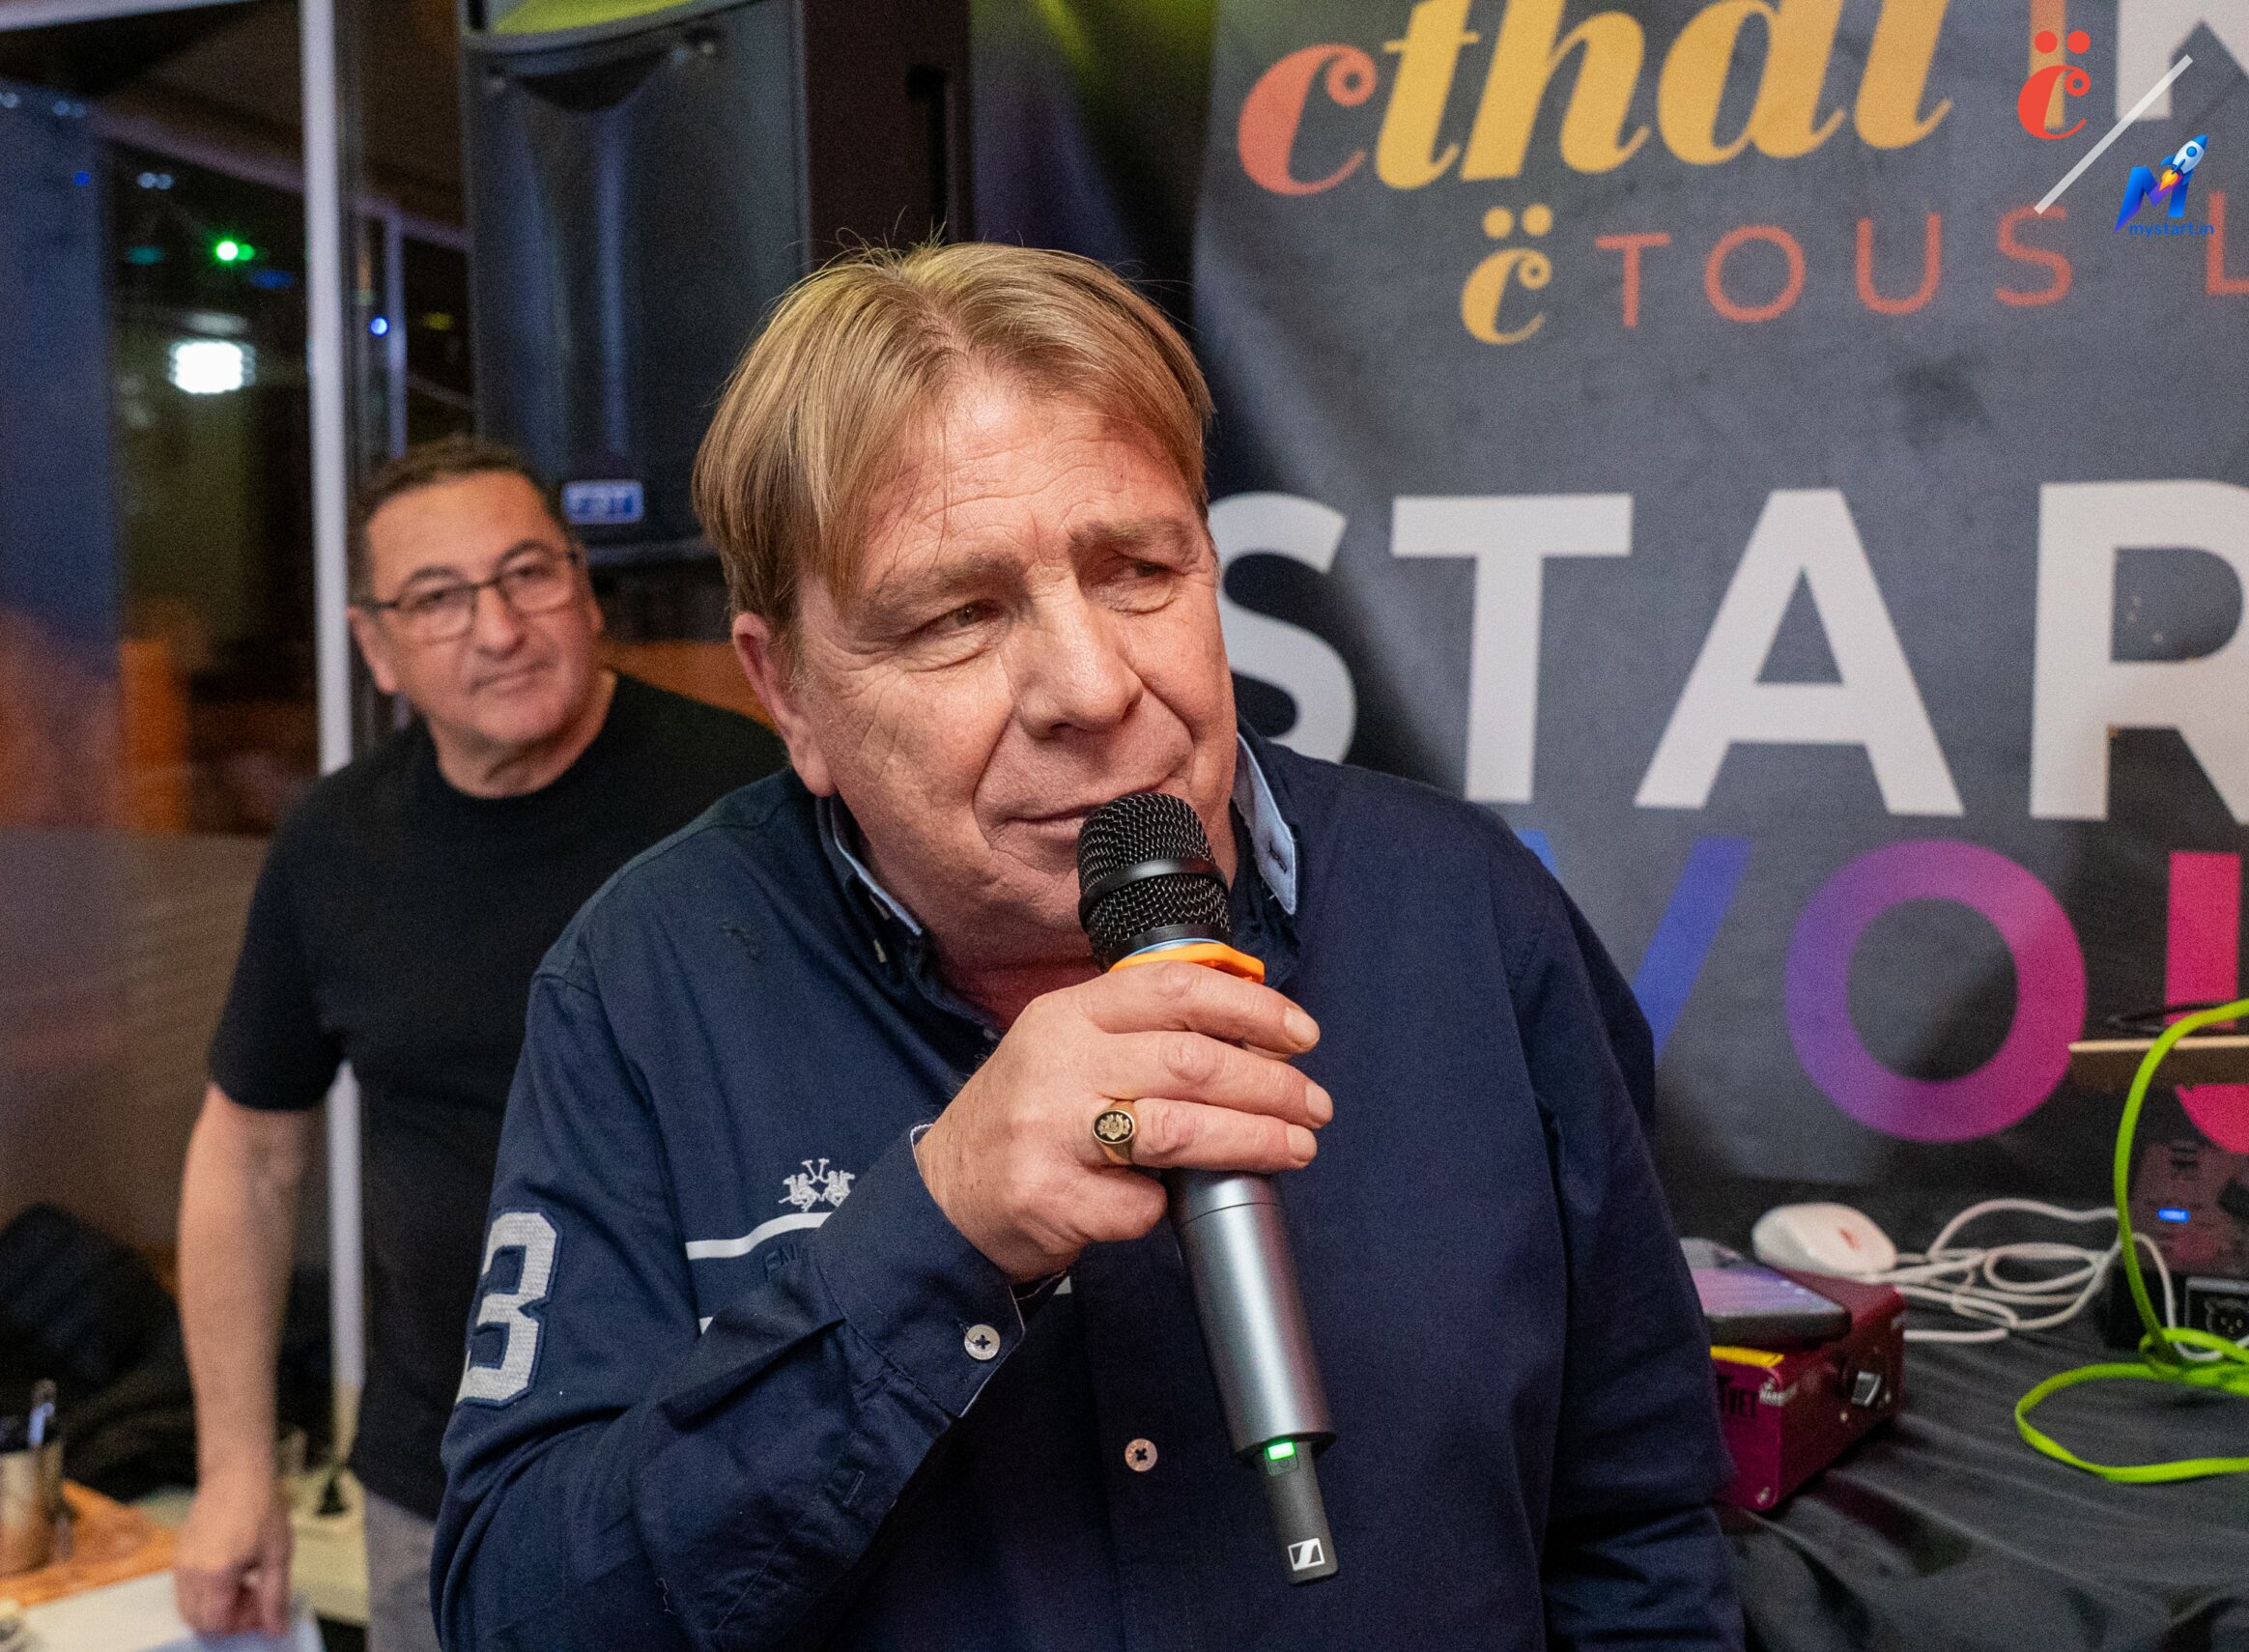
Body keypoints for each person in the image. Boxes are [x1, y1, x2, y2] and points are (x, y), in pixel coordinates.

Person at [434, 246, 1739, 1650]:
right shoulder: (646, 983)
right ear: (789, 691)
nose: (1094, 686)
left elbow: (1639, 1526)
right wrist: (932, 1235)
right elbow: (520, 1611)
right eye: (956, 616)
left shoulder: (1469, 913)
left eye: (1139, 571)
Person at [172, 437, 787, 1650]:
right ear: (376, 647)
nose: (498, 629)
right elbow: (246, 1156)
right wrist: (233, 1467)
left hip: (736, 1451)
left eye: (528, 575)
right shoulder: (333, 846)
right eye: (439, 599)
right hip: (449, 1479)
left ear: (584, 588)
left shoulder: (752, 803)